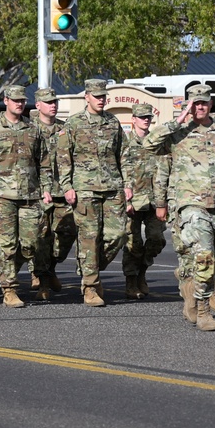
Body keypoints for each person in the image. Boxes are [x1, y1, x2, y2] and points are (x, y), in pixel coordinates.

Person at [144, 84, 215, 331]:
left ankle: (191, 288)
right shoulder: (178, 133)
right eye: (195, 103)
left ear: (210, 104)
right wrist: (178, 120)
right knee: (203, 256)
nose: (199, 107)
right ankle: (203, 312)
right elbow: (149, 144)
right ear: (189, 105)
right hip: (190, 205)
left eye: (203, 103)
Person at [0, 85, 52, 307]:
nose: (19, 103)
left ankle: (2, 268)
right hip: (0, 195)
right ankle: (9, 289)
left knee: (31, 243)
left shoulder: (32, 128)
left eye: (22, 100)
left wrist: (45, 188)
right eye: (15, 100)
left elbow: (43, 162)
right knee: (6, 244)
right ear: (6, 101)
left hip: (29, 194)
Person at [56, 79, 131, 307]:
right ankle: (90, 285)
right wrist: (67, 186)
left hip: (112, 187)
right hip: (84, 189)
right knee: (89, 238)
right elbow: (63, 157)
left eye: (103, 96)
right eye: (97, 96)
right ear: (86, 97)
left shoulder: (113, 122)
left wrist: (127, 183)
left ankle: (91, 268)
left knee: (117, 235)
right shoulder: (74, 123)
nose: (101, 100)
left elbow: (124, 153)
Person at [120, 103, 166, 299]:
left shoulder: (157, 143)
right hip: (134, 201)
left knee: (157, 239)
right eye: (142, 117)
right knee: (133, 243)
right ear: (134, 119)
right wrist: (125, 200)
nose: (146, 120)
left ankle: (142, 271)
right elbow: (120, 170)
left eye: (148, 117)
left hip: (155, 200)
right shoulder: (126, 142)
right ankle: (131, 281)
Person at [30, 86, 72, 294]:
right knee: (42, 237)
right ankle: (42, 278)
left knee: (66, 234)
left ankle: (51, 268)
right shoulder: (30, 130)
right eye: (48, 102)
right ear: (38, 106)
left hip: (62, 191)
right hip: (38, 191)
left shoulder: (65, 130)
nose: (53, 106)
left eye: (55, 102)